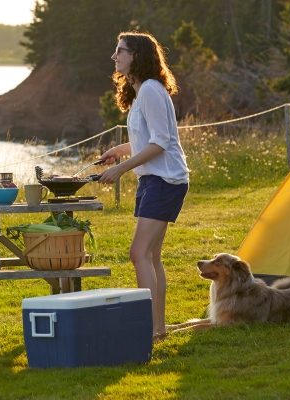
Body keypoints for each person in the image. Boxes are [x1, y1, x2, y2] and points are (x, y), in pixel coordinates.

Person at [98, 31, 189, 343]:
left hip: (164, 181)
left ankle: (148, 330)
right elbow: (148, 139)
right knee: (150, 256)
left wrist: (122, 169)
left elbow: (162, 143)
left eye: (120, 51)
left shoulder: (150, 89)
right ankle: (157, 329)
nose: (115, 56)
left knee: (138, 253)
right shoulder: (143, 92)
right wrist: (120, 151)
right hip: (154, 180)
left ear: (136, 55)